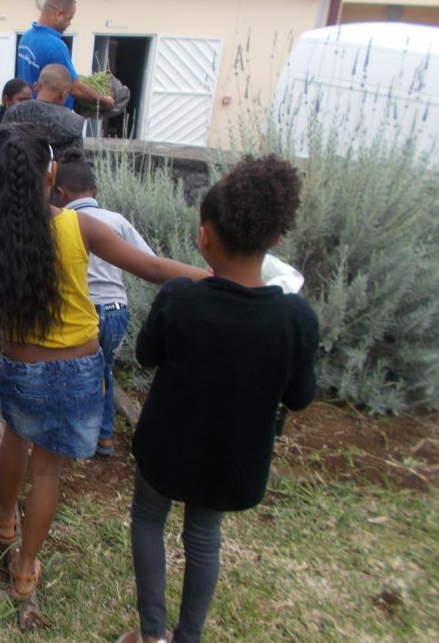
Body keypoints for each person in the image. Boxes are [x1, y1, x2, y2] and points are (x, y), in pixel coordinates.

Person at [0, 124, 208, 604]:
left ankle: (4, 520)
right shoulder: (77, 226)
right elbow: (153, 268)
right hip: (80, 373)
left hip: (22, 372)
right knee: (48, 473)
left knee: (16, 438)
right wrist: (214, 278)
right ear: (52, 173)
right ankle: (24, 569)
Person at [117, 155, 319, 643]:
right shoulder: (295, 318)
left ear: (203, 236)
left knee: (148, 519)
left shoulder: (181, 297)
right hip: (232, 456)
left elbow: (146, 355)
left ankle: (151, 634)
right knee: (204, 537)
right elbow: (299, 396)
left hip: (167, 444)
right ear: (275, 240)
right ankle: (188, 638)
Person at [51, 147, 154, 457]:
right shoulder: (116, 220)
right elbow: (148, 261)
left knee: (72, 373)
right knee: (104, 371)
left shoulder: (63, 223)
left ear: (59, 192)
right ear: (95, 190)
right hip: (116, 311)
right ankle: (105, 438)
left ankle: (73, 438)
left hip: (80, 311)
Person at [16, 0, 114, 111]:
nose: (69, 24)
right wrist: (104, 100)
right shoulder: (55, 46)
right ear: (59, 14)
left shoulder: (26, 37)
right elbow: (75, 88)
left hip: (28, 111)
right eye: (69, 18)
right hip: (52, 117)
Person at [2, 64, 86, 152]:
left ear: (36, 86)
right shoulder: (74, 123)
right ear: (64, 93)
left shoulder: (16, 112)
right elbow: (78, 161)